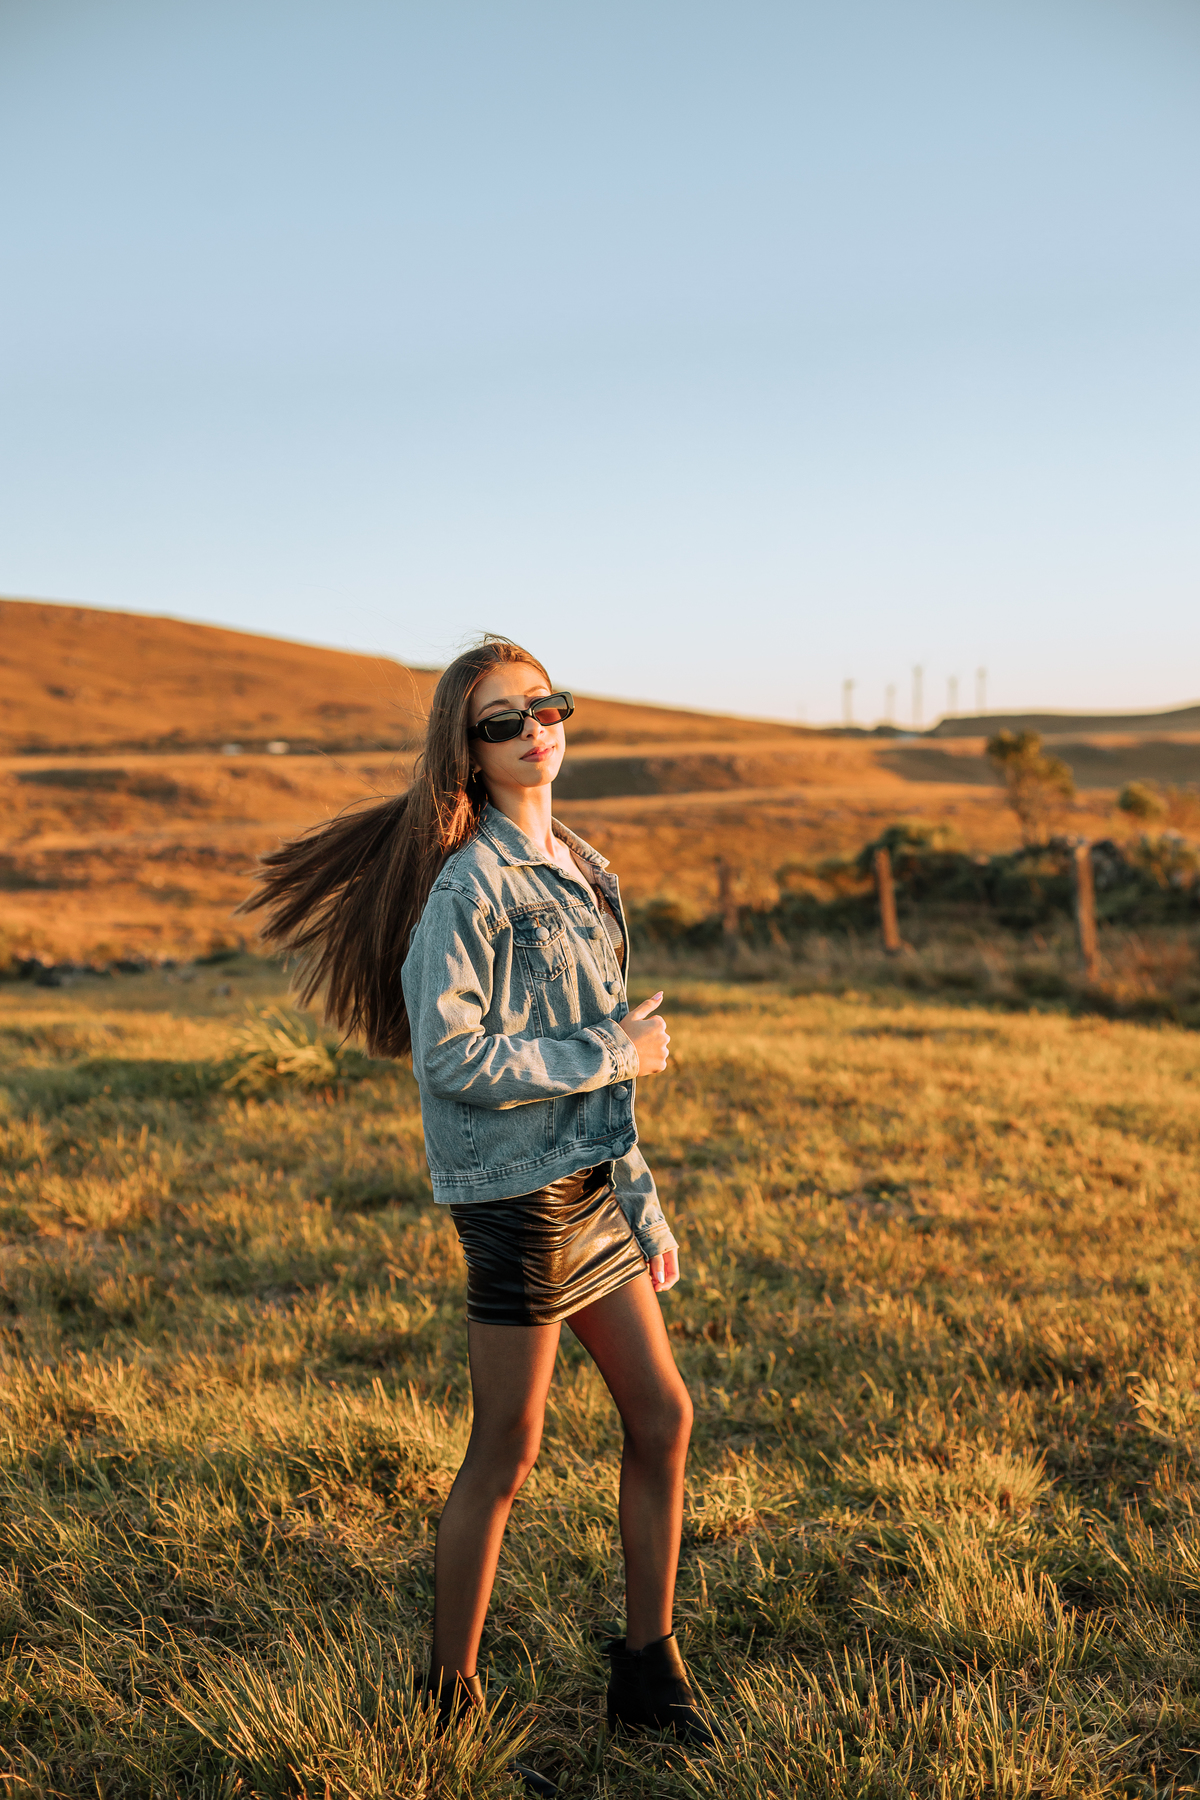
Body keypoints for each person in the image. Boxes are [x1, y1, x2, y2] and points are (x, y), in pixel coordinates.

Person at [241, 635, 719, 1793]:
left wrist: (641, 1207)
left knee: (663, 1417)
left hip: (592, 1181)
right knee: (508, 1448)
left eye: (546, 706)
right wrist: (619, 1047)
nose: (535, 731)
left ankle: (647, 1670)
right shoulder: (471, 885)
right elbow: (454, 1058)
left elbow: (599, 1087)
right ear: (468, 748)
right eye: (503, 720)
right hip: (514, 1196)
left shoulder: (585, 864)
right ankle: (448, 1695)